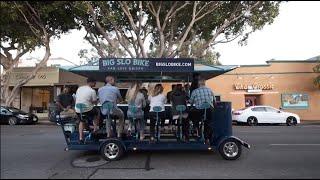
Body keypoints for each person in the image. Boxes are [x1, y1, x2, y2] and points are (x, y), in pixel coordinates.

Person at [189, 77, 216, 144]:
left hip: (199, 111)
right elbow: (214, 101)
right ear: (204, 83)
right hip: (209, 110)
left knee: (191, 114)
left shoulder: (195, 91)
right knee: (208, 123)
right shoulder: (210, 90)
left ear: (198, 83)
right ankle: (207, 138)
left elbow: (191, 102)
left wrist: (192, 106)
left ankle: (196, 126)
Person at [75, 78, 100, 144]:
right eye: (95, 82)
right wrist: (97, 101)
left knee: (81, 121)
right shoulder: (92, 91)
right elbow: (95, 102)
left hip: (78, 109)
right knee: (97, 112)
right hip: (87, 110)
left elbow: (78, 98)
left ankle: (80, 138)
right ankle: (95, 129)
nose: (95, 84)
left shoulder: (79, 88)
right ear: (91, 82)